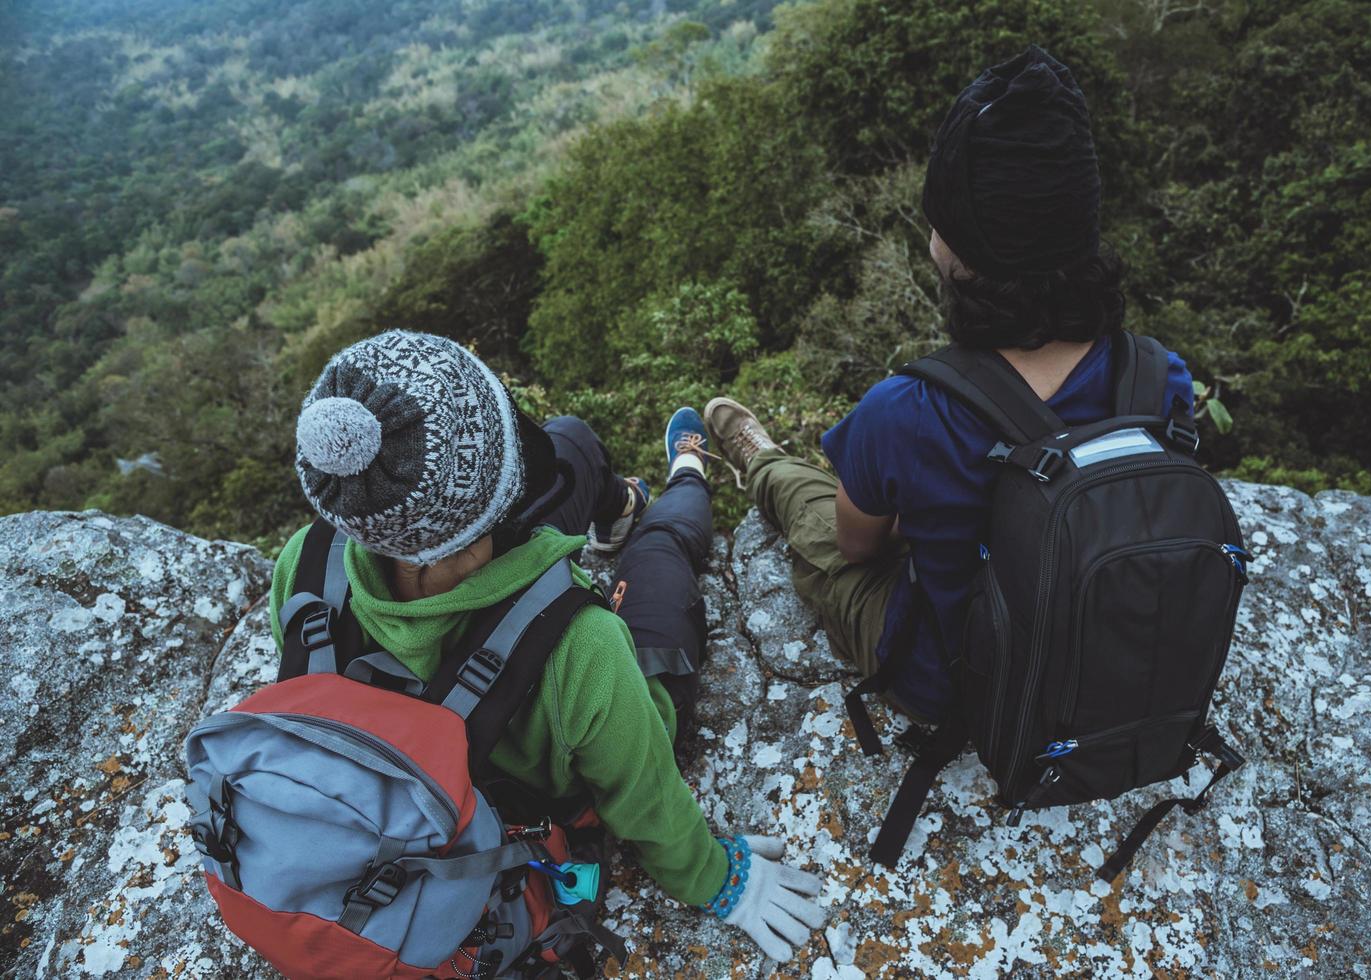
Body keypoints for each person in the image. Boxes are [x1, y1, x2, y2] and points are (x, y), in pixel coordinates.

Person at [269, 330, 825, 963]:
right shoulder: (586, 646)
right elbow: (641, 796)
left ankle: (621, 505)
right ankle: (686, 480)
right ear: (500, 494)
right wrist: (716, 878)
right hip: (564, 752)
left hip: (444, 625)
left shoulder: (307, 565)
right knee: (663, 548)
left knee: (574, 442)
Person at [703, 46, 1195, 725]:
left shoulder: (902, 412)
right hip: (1102, 663)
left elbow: (857, 548)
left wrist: (925, 516)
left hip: (958, 682)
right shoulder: (1157, 377)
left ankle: (759, 461)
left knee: (819, 518)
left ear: (958, 256)